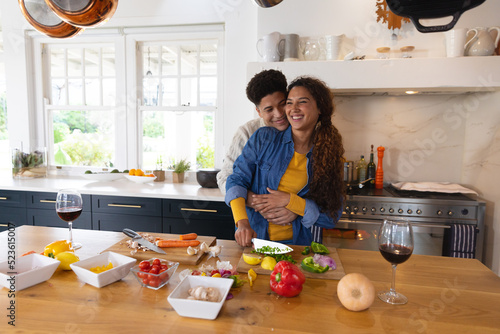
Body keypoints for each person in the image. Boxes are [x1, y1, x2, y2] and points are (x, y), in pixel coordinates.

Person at [225, 76, 345, 247]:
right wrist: (242, 223)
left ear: (319, 108)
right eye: (289, 102)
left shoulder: (328, 154)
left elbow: (332, 216)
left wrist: (292, 203)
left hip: (299, 246)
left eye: (302, 101)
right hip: (256, 242)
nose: (293, 109)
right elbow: (236, 180)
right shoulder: (263, 137)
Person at [217, 69, 297, 225]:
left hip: (296, 226)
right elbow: (225, 176)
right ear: (258, 111)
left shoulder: (300, 128)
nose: (279, 114)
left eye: (282, 104)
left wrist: (294, 206)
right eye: (269, 109)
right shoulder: (247, 132)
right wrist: (257, 201)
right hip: (256, 224)